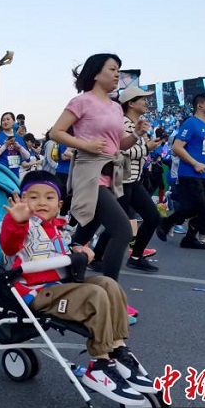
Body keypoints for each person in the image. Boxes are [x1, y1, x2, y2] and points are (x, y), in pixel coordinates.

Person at [0, 171, 154, 405]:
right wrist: (17, 222)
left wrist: (78, 251)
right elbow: (9, 246)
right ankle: (100, 364)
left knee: (109, 285)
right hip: (36, 292)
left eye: (49, 197)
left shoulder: (58, 229)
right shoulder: (18, 224)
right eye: (33, 197)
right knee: (94, 295)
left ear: (59, 204)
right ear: (21, 199)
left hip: (62, 287)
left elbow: (62, 251)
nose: (41, 202)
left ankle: (118, 348)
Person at [50, 53, 150, 280]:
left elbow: (120, 144)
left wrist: (136, 134)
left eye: (118, 71)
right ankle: (109, 289)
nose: (117, 75)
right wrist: (85, 145)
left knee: (84, 233)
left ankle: (60, 272)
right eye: (112, 69)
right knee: (123, 231)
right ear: (96, 73)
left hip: (111, 174)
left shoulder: (116, 107)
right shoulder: (81, 101)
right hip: (90, 174)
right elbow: (56, 132)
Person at [90, 87, 162, 273]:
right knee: (120, 223)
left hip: (132, 180)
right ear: (131, 103)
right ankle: (98, 257)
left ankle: (135, 257)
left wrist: (147, 146)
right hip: (121, 180)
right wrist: (147, 147)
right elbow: (122, 151)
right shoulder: (122, 123)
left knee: (152, 217)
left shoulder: (135, 124)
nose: (146, 102)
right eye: (142, 99)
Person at [156, 93, 205, 249]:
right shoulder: (191, 123)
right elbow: (177, 147)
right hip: (191, 174)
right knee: (197, 206)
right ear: (200, 105)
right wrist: (195, 163)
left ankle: (189, 238)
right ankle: (167, 223)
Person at [0, 112, 31, 177]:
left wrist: (19, 147)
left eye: (8, 119)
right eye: (3, 120)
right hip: (0, 173)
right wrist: (5, 145)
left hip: (15, 175)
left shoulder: (19, 138)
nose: (5, 122)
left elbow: (27, 157)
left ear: (14, 122)